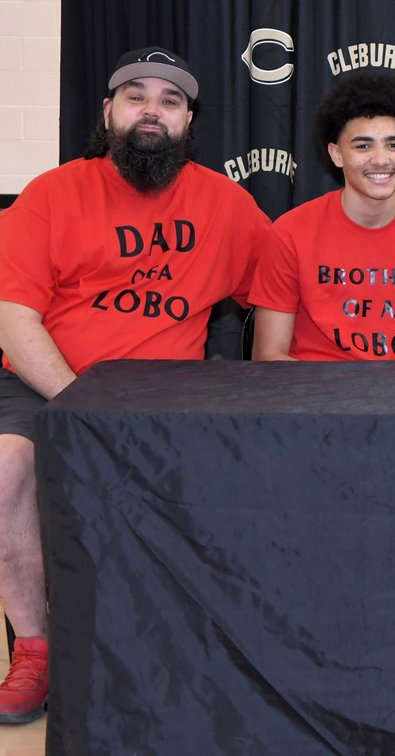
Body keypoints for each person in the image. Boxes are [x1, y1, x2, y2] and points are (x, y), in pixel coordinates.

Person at [0, 46, 270, 723]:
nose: (152, 109)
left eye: (170, 100)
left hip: (164, 396)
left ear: (188, 122)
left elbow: (286, 286)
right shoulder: (53, 193)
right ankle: (35, 649)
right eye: (137, 95)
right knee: (4, 476)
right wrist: (81, 401)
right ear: (109, 112)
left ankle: (187, 648)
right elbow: (13, 315)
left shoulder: (226, 205)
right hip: (48, 383)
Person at [250, 73, 395, 361]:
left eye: (394, 145)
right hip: (314, 398)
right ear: (337, 155)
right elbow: (268, 357)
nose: (381, 159)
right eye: (363, 146)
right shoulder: (289, 233)